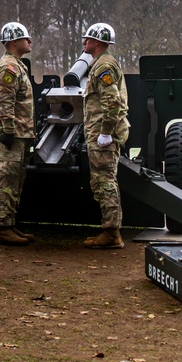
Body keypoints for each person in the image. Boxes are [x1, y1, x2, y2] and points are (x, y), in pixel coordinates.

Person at [81, 23, 129, 249]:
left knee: (104, 182)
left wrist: (105, 133)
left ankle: (111, 233)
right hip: (101, 131)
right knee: (103, 180)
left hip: (104, 134)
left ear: (98, 42)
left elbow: (112, 102)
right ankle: (110, 231)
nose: (84, 42)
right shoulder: (100, 64)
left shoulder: (103, 67)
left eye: (88, 39)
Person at [0, 22, 36, 247]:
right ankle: (2, 227)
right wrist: (8, 130)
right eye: (26, 38)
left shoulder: (17, 65)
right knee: (7, 181)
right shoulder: (10, 67)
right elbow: (4, 101)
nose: (30, 41)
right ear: (13, 42)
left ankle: (8, 223)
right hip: (11, 134)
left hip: (19, 133)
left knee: (15, 180)